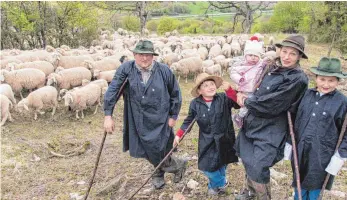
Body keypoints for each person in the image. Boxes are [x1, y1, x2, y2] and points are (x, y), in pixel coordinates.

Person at [103, 40, 186, 189]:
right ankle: (175, 165)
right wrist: (108, 115)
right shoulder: (126, 69)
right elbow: (113, 90)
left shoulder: (164, 71)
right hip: (137, 117)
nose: (144, 58)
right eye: (141, 55)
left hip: (160, 116)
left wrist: (173, 116)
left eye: (148, 55)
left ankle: (162, 172)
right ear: (134, 55)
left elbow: (175, 94)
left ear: (153, 56)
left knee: (160, 147)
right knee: (143, 148)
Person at [234, 35, 309, 200]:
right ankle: (251, 191)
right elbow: (253, 85)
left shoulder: (297, 78)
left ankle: (263, 197)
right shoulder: (272, 68)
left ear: (299, 57)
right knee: (247, 157)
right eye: (284, 51)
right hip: (254, 121)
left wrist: (247, 101)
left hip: (273, 127)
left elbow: (273, 104)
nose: (287, 57)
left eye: (293, 54)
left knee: (259, 164)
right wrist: (242, 92)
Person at [283, 57, 347, 200]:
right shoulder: (306, 95)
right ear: (316, 78)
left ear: (338, 81)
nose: (326, 84)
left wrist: (340, 155)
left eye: (331, 80)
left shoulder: (342, 102)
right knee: (299, 180)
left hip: (323, 153)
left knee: (315, 183)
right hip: (300, 147)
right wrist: (289, 141)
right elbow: (293, 119)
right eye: (322, 79)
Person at [173, 73, 239, 196]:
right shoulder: (195, 104)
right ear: (199, 91)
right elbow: (189, 121)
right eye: (206, 85)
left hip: (224, 138)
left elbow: (237, 104)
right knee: (207, 166)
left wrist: (230, 90)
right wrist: (179, 135)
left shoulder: (223, 98)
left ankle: (213, 187)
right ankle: (221, 183)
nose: (210, 87)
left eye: (212, 84)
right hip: (207, 140)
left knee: (222, 163)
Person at [229, 40, 266, 128]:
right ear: (245, 56)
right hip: (246, 90)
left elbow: (267, 65)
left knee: (255, 104)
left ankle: (251, 118)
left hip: (257, 89)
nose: (253, 58)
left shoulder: (261, 64)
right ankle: (240, 117)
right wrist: (240, 79)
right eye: (250, 55)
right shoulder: (241, 65)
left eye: (256, 56)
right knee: (245, 106)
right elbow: (233, 73)